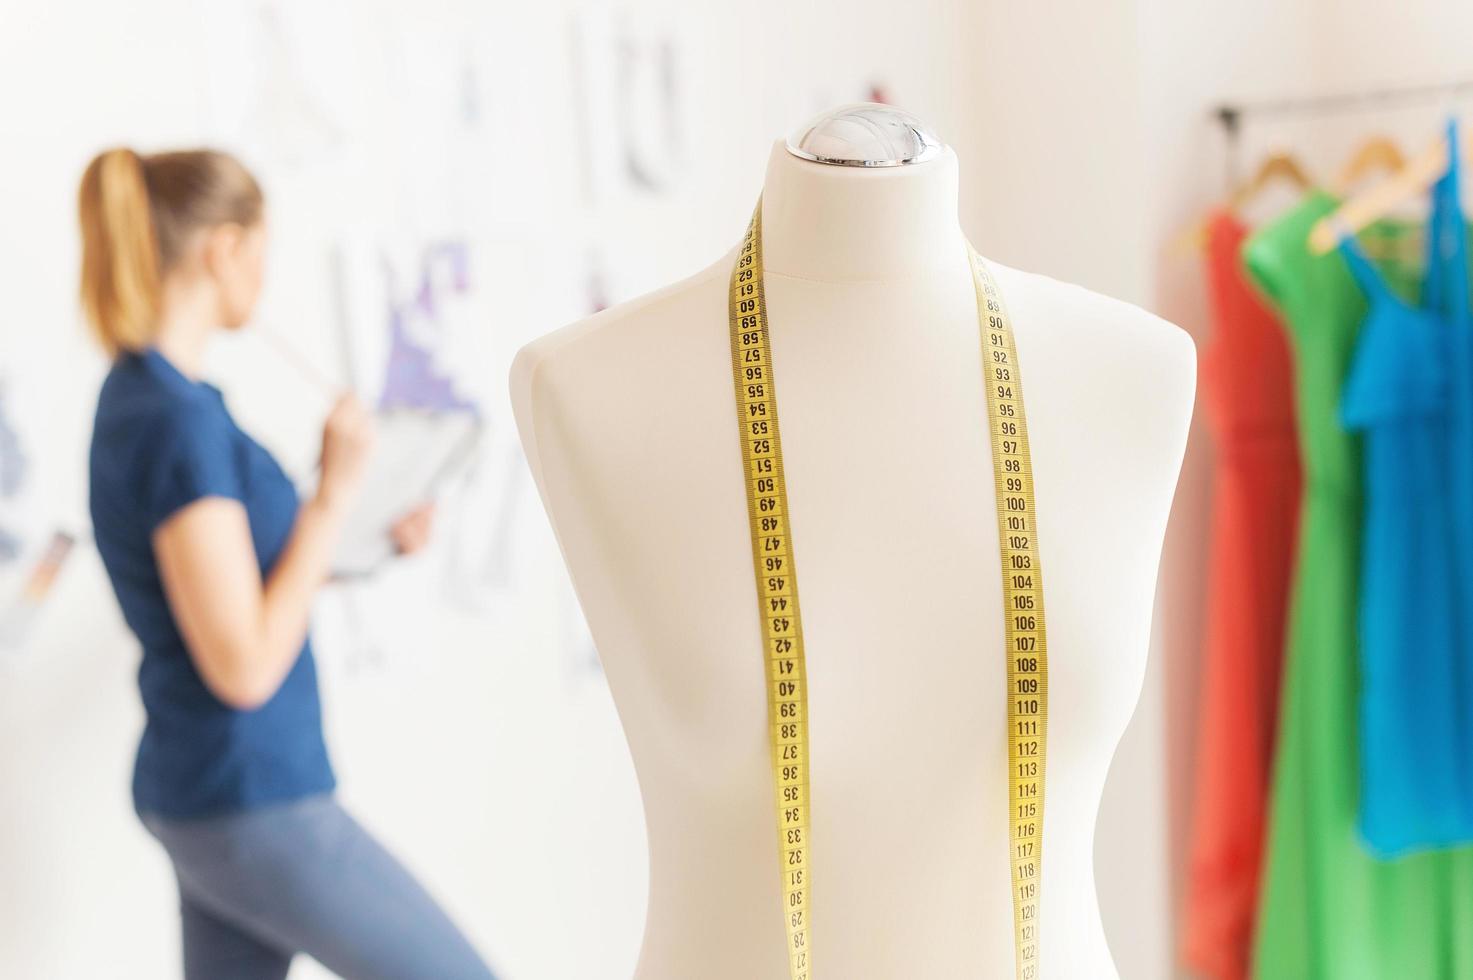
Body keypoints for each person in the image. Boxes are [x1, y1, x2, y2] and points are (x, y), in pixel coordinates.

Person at [78, 147, 496, 980]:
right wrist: (334, 498)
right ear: (223, 250)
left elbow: (227, 588)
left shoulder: (141, 400)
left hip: (202, 794)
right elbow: (241, 664)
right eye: (262, 256)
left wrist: (357, 537)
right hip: (255, 793)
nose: (263, 282)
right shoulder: (177, 421)